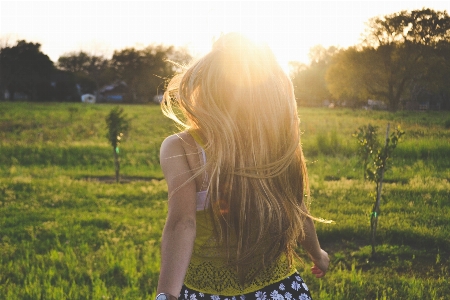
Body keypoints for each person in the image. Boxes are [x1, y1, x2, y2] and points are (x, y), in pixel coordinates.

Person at [156, 33, 329, 300]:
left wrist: (166, 294)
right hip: (279, 290)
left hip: (208, 292)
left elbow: (182, 223)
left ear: (204, 87)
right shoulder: (277, 144)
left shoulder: (181, 146)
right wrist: (318, 254)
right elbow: (297, 208)